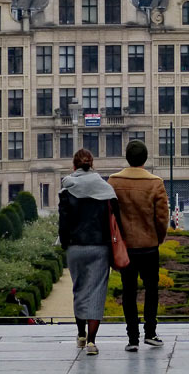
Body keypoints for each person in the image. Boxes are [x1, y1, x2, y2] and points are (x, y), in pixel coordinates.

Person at [109, 140, 170, 353]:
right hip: (149, 246)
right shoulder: (155, 183)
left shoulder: (114, 181)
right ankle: (150, 333)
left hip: (126, 247)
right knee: (151, 290)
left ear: (127, 157)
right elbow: (162, 217)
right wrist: (158, 237)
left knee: (129, 292)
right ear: (145, 158)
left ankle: (132, 338)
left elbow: (110, 216)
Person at [59, 148, 119, 356]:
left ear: (74, 166)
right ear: (92, 165)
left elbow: (63, 222)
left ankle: (81, 334)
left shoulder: (67, 189)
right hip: (99, 247)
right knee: (97, 293)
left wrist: (65, 244)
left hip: (75, 247)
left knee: (79, 290)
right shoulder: (106, 189)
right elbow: (115, 220)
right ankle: (92, 341)